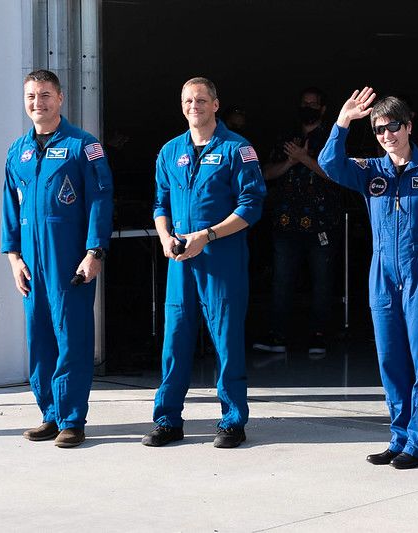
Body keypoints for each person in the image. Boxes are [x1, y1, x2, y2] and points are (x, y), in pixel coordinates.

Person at [318, 88, 418, 469]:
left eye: (394, 126)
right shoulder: (370, 171)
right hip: (382, 272)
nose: (387, 135)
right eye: (379, 129)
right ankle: (399, 437)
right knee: (390, 360)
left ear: (409, 125)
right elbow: (328, 164)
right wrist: (342, 122)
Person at [143, 77, 266, 449]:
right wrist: (165, 236)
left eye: (200, 99)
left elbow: (251, 206)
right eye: (187, 100)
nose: (193, 105)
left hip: (221, 260)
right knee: (175, 341)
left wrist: (208, 235)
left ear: (215, 104)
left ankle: (232, 421)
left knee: (226, 342)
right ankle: (167, 420)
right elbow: (161, 203)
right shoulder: (170, 151)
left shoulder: (237, 150)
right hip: (180, 262)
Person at [1, 69, 114, 448]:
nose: (38, 102)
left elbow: (100, 200)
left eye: (45, 95)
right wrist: (14, 257)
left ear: (61, 99)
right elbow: (9, 209)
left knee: (73, 338)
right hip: (32, 261)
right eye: (31, 96)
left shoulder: (84, 145)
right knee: (40, 338)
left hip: (69, 260)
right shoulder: (18, 151)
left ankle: (72, 419)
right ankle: (49, 413)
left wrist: (94, 251)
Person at [252, 87, 343, 356]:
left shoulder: (332, 138)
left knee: (322, 280)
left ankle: (319, 335)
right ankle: (278, 335)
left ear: (323, 109)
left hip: (322, 222)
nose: (308, 107)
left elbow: (340, 175)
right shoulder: (286, 137)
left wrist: (305, 158)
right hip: (286, 221)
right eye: (304, 103)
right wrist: (291, 163)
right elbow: (264, 173)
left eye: (314, 104)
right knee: (282, 279)